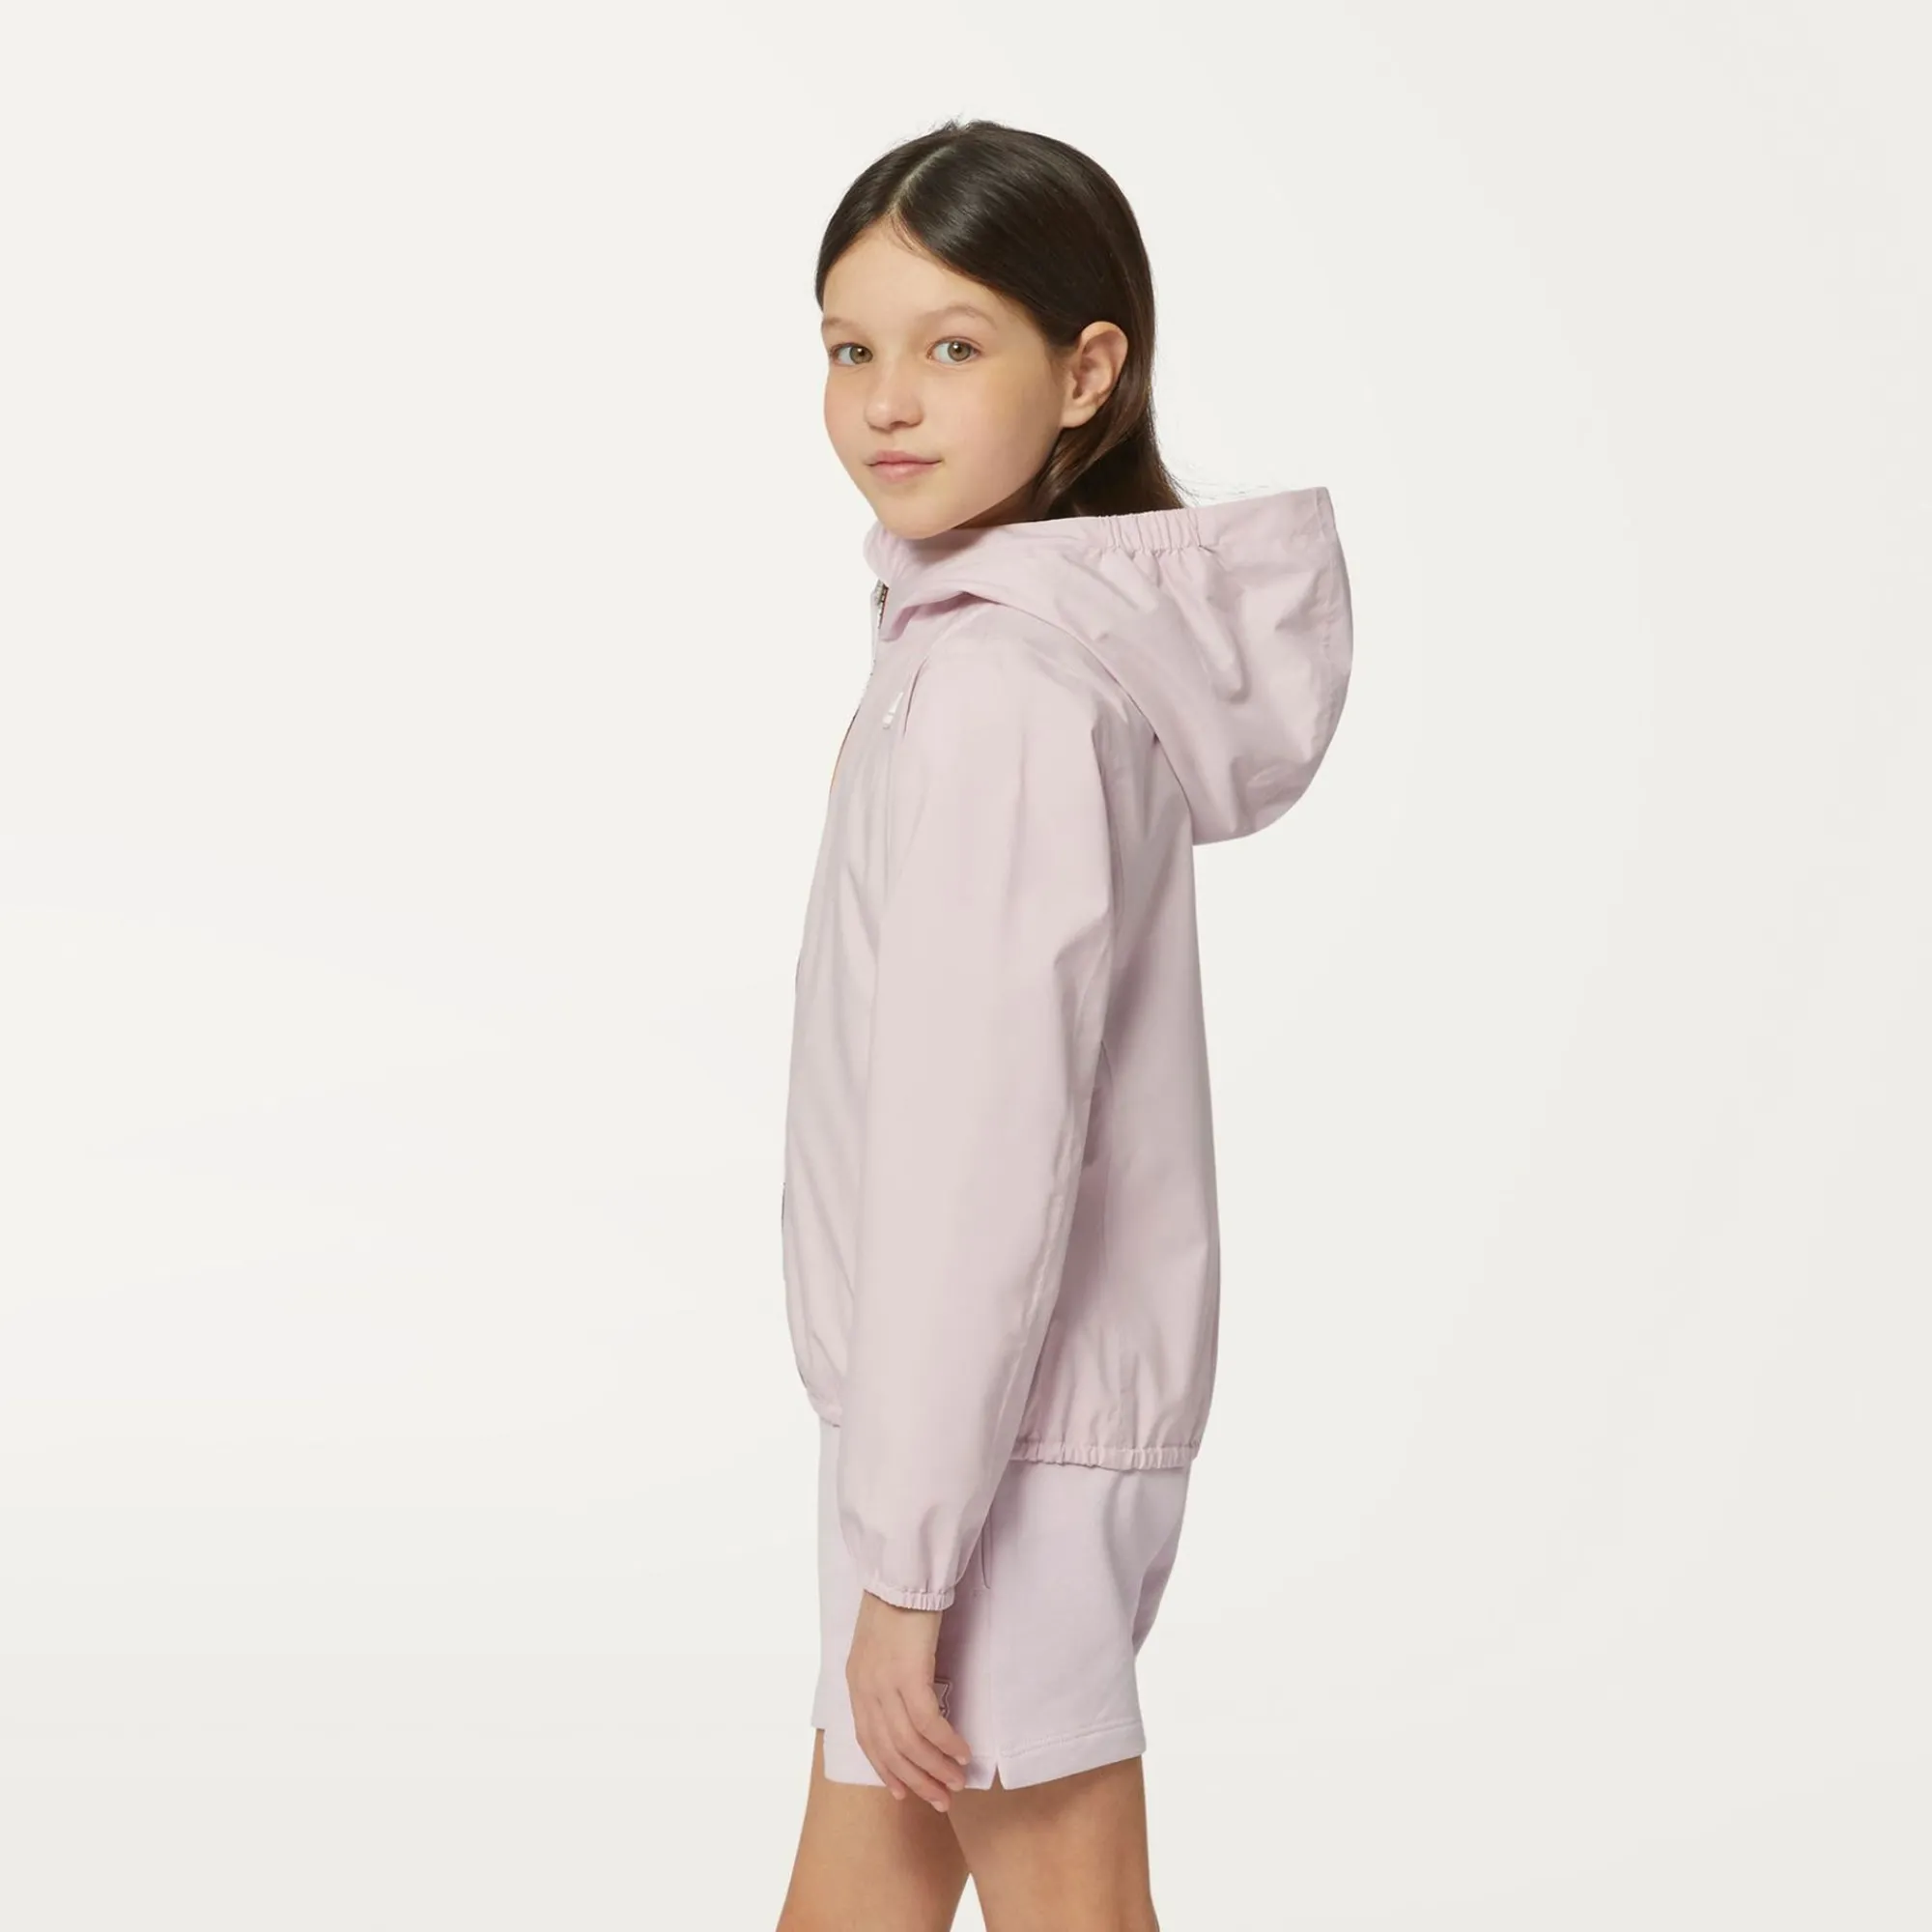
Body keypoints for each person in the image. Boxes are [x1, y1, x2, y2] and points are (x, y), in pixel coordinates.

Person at [776, 119, 1353, 1932]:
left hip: (993, 1459)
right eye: (850, 346)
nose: (887, 399)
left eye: (953, 345)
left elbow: (978, 1151)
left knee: (1071, 1903)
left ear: (1087, 372)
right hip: (955, 1442)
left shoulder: (1005, 691)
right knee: (856, 1894)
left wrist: (908, 1565)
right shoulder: (969, 655)